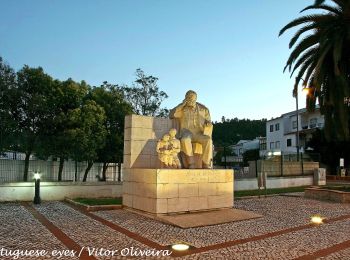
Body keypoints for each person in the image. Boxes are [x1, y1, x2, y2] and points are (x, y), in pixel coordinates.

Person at [169, 90, 212, 169]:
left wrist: (208, 124)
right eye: (188, 98)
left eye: (192, 98)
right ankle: (191, 163)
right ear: (185, 98)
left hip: (199, 133)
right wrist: (182, 105)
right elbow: (171, 114)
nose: (190, 100)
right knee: (185, 139)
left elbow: (208, 121)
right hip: (186, 132)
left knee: (208, 140)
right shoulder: (182, 109)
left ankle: (206, 163)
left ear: (196, 99)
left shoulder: (204, 109)